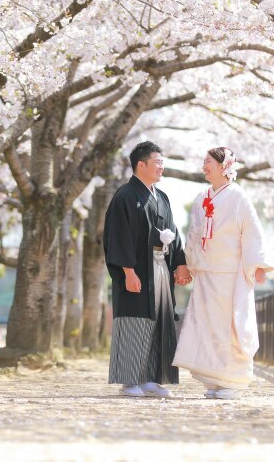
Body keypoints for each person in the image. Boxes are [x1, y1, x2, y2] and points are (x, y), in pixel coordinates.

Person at [172, 146, 274, 400]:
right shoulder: (201, 197)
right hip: (207, 273)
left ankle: (235, 380)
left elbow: (252, 231)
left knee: (231, 325)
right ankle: (214, 379)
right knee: (207, 326)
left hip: (230, 273)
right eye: (203, 161)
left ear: (223, 166)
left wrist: (258, 264)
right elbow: (194, 235)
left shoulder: (239, 197)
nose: (204, 166)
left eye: (208, 162)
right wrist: (189, 265)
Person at [103, 141, 192, 397]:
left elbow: (174, 233)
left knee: (160, 320)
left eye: (163, 163)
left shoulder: (161, 197)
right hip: (137, 270)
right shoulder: (125, 196)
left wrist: (181, 263)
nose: (161, 167)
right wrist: (128, 271)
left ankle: (152, 378)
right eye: (157, 162)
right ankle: (130, 381)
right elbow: (117, 237)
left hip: (161, 268)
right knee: (135, 320)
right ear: (140, 165)